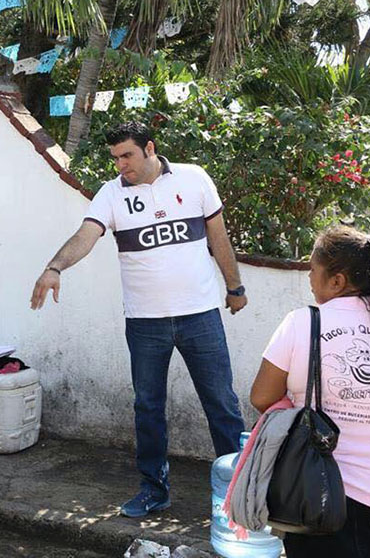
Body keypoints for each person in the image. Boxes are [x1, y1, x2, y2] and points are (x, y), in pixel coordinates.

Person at [30, 121, 247, 518]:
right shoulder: (111, 194)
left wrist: (235, 288)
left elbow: (219, 238)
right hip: (145, 323)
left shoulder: (194, 178)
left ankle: (238, 495)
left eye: (126, 155)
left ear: (149, 148)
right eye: (115, 158)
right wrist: (55, 267)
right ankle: (154, 489)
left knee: (222, 404)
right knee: (148, 408)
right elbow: (86, 235)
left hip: (200, 315)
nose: (120, 166)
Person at [250, 226, 370, 557]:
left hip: (326, 497)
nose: (309, 278)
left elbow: (261, 398)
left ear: (336, 281)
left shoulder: (303, 323)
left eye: (312, 270)